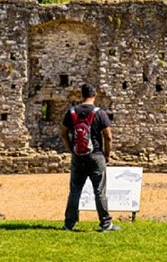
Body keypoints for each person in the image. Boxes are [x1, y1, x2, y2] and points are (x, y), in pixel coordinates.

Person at [60, 83, 121, 232]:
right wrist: (107, 155)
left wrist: (71, 150)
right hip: (96, 155)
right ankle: (106, 224)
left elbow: (63, 133)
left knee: (75, 190)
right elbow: (108, 137)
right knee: (99, 191)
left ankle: (69, 223)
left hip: (78, 156)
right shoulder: (99, 113)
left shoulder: (72, 112)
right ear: (94, 95)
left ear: (81, 95)